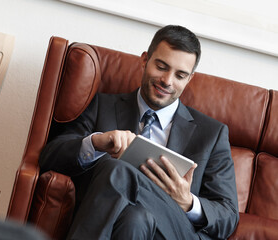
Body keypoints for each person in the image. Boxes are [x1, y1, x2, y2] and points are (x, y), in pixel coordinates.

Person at [39, 25, 239, 239]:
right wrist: (96, 143)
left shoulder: (211, 133)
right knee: (135, 218)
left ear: (189, 78)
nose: (167, 81)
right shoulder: (101, 105)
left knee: (117, 170)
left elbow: (228, 215)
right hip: (124, 226)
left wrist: (187, 201)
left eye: (180, 75)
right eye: (161, 67)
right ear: (145, 60)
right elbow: (49, 156)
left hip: (175, 230)